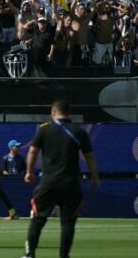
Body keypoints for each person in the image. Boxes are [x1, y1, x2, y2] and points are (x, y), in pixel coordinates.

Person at [22, 100, 99, 258]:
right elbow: (89, 157)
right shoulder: (79, 131)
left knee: (38, 218)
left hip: (48, 181)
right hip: (71, 183)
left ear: (53, 112)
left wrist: (29, 172)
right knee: (68, 222)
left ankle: (30, 254)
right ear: (69, 113)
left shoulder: (44, 130)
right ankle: (64, 256)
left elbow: (32, 152)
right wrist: (95, 178)